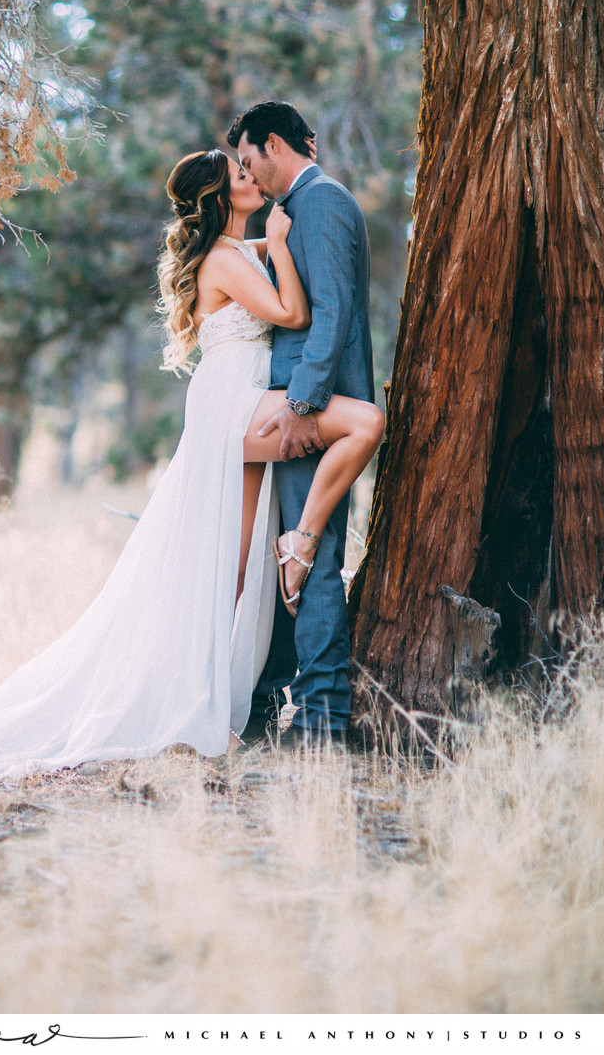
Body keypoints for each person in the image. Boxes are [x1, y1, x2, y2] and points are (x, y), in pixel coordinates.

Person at [0, 145, 381, 779]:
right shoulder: (226, 256)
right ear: (220, 198)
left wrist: (276, 241)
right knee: (358, 427)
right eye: (239, 175)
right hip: (233, 403)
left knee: (235, 566)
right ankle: (298, 549)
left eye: (250, 168)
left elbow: (284, 268)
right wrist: (276, 233)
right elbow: (294, 313)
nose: (252, 177)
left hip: (239, 397)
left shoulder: (241, 252)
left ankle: (207, 689)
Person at [227, 100, 376, 749]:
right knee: (292, 551)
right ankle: (272, 700)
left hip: (310, 411)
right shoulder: (301, 208)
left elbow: (332, 309)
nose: (246, 171)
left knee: (307, 557)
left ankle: (321, 718)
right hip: (306, 406)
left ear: (270, 145)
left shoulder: (320, 202)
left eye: (246, 157)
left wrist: (300, 402)